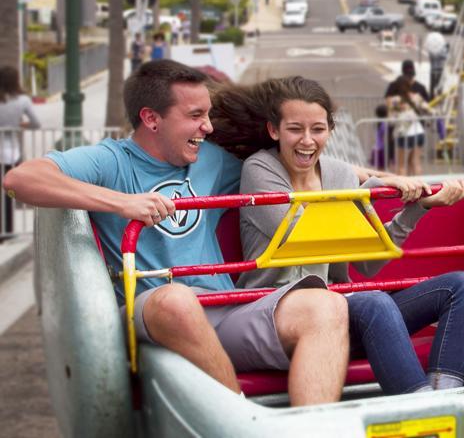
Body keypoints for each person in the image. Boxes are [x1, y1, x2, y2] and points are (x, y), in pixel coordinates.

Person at [3, 60, 352, 406]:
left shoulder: (210, 160)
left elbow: (288, 164)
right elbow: (20, 180)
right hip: (158, 310)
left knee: (327, 306)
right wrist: (122, 203)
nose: (209, 127)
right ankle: (244, 418)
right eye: (196, 116)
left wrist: (374, 178)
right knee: (176, 300)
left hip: (224, 310)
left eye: (209, 115)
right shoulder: (111, 160)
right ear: (151, 119)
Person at [209, 76, 464, 395]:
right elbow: (303, 233)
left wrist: (417, 207)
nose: (307, 141)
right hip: (281, 310)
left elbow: (367, 265)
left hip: (346, 310)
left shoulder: (339, 174)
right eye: (295, 129)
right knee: (374, 301)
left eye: (318, 129)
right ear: (275, 130)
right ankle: (420, 408)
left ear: (330, 131)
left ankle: (446, 396)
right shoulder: (260, 169)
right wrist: (371, 190)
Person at [0, 67, 40, 239]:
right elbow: (36, 123)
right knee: (8, 193)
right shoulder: (22, 100)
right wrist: (19, 124)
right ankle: (7, 229)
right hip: (12, 152)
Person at [387, 77, 430, 176]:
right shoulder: (416, 97)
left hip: (404, 133)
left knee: (401, 165)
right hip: (418, 130)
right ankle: (421, 188)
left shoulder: (395, 100)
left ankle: (402, 189)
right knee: (416, 163)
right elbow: (428, 109)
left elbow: (390, 119)